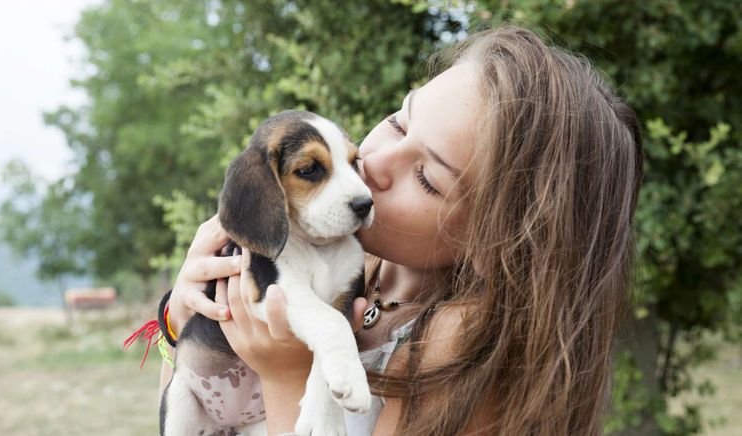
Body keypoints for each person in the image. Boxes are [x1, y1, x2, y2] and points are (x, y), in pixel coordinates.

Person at [158, 25, 643, 435]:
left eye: (428, 179)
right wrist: (180, 318)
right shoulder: (344, 259)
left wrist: (286, 376)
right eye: (397, 123)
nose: (371, 167)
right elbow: (191, 398)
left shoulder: (454, 347)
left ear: (497, 243)